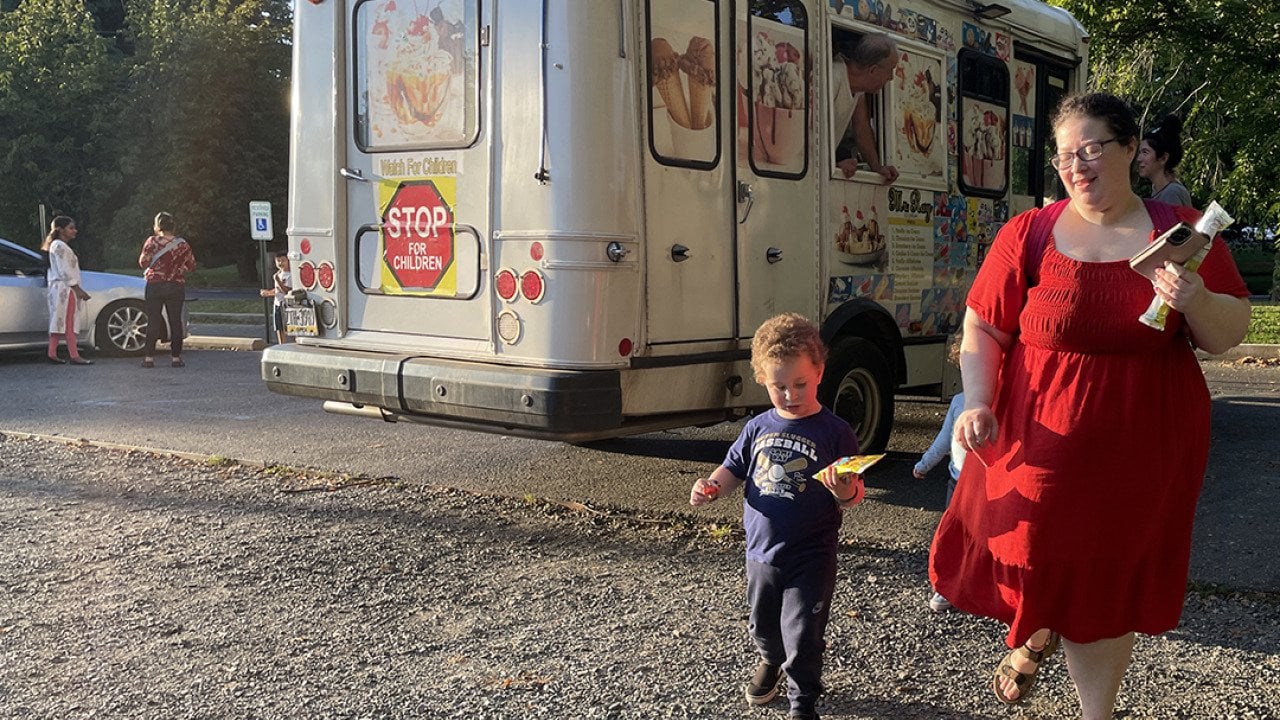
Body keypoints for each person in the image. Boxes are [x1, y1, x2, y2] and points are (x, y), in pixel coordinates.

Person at [928, 92, 1250, 719]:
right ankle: (1037, 631)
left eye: (1092, 148)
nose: (1077, 165)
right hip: (1038, 436)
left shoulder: (1180, 231)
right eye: (1065, 155)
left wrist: (1195, 299)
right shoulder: (1031, 232)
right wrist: (980, 401)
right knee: (1036, 554)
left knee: (1103, 580)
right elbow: (984, 326)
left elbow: (1227, 333)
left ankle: (1094, 713)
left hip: (1142, 445)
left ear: (1131, 148)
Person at [688, 313, 860, 720]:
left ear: (819, 371)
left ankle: (803, 702)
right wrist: (711, 486)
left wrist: (843, 489)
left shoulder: (836, 432)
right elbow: (732, 469)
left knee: (804, 634)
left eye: (800, 383)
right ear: (762, 379)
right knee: (763, 624)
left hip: (812, 555)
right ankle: (770, 659)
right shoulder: (757, 427)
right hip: (761, 554)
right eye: (778, 385)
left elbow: (854, 494)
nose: (790, 394)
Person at [912, 325, 966, 613]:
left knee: (975, 537)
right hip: (958, 481)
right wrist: (924, 465)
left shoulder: (1001, 402)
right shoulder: (959, 402)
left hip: (983, 484)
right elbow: (943, 441)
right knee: (952, 535)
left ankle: (972, 587)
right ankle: (946, 586)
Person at [832, 32, 899, 184]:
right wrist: (833, 164)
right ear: (873, 70)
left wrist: (876, 167)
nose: (891, 78)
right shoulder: (834, 77)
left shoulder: (858, 89)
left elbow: (861, 127)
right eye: (890, 70)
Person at [138, 212, 196, 368]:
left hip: (155, 285)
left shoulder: (151, 242)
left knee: (153, 320)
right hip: (175, 285)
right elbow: (191, 265)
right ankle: (176, 358)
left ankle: (149, 357)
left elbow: (143, 263)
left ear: (157, 226)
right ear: (173, 226)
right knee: (175, 321)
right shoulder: (182, 244)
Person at [42, 216, 93, 365]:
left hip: (59, 288)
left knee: (58, 320)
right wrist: (77, 289)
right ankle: (74, 354)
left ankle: (52, 352)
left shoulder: (55, 245)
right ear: (61, 230)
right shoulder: (60, 247)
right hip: (66, 288)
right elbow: (65, 271)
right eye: (71, 228)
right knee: (69, 321)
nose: (74, 231)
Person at [1136, 114, 1192, 207]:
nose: (1139, 159)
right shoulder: (1157, 189)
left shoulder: (1171, 193)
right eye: (1140, 152)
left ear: (1163, 158)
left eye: (1145, 152)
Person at [259, 251, 293, 345]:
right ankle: (281, 344)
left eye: (283, 260)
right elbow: (277, 290)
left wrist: (277, 280)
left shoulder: (290, 275)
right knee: (279, 327)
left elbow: (286, 291)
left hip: (286, 304)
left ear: (288, 261)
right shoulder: (278, 274)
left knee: (290, 326)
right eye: (278, 261)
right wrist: (268, 293)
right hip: (277, 303)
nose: (280, 263)